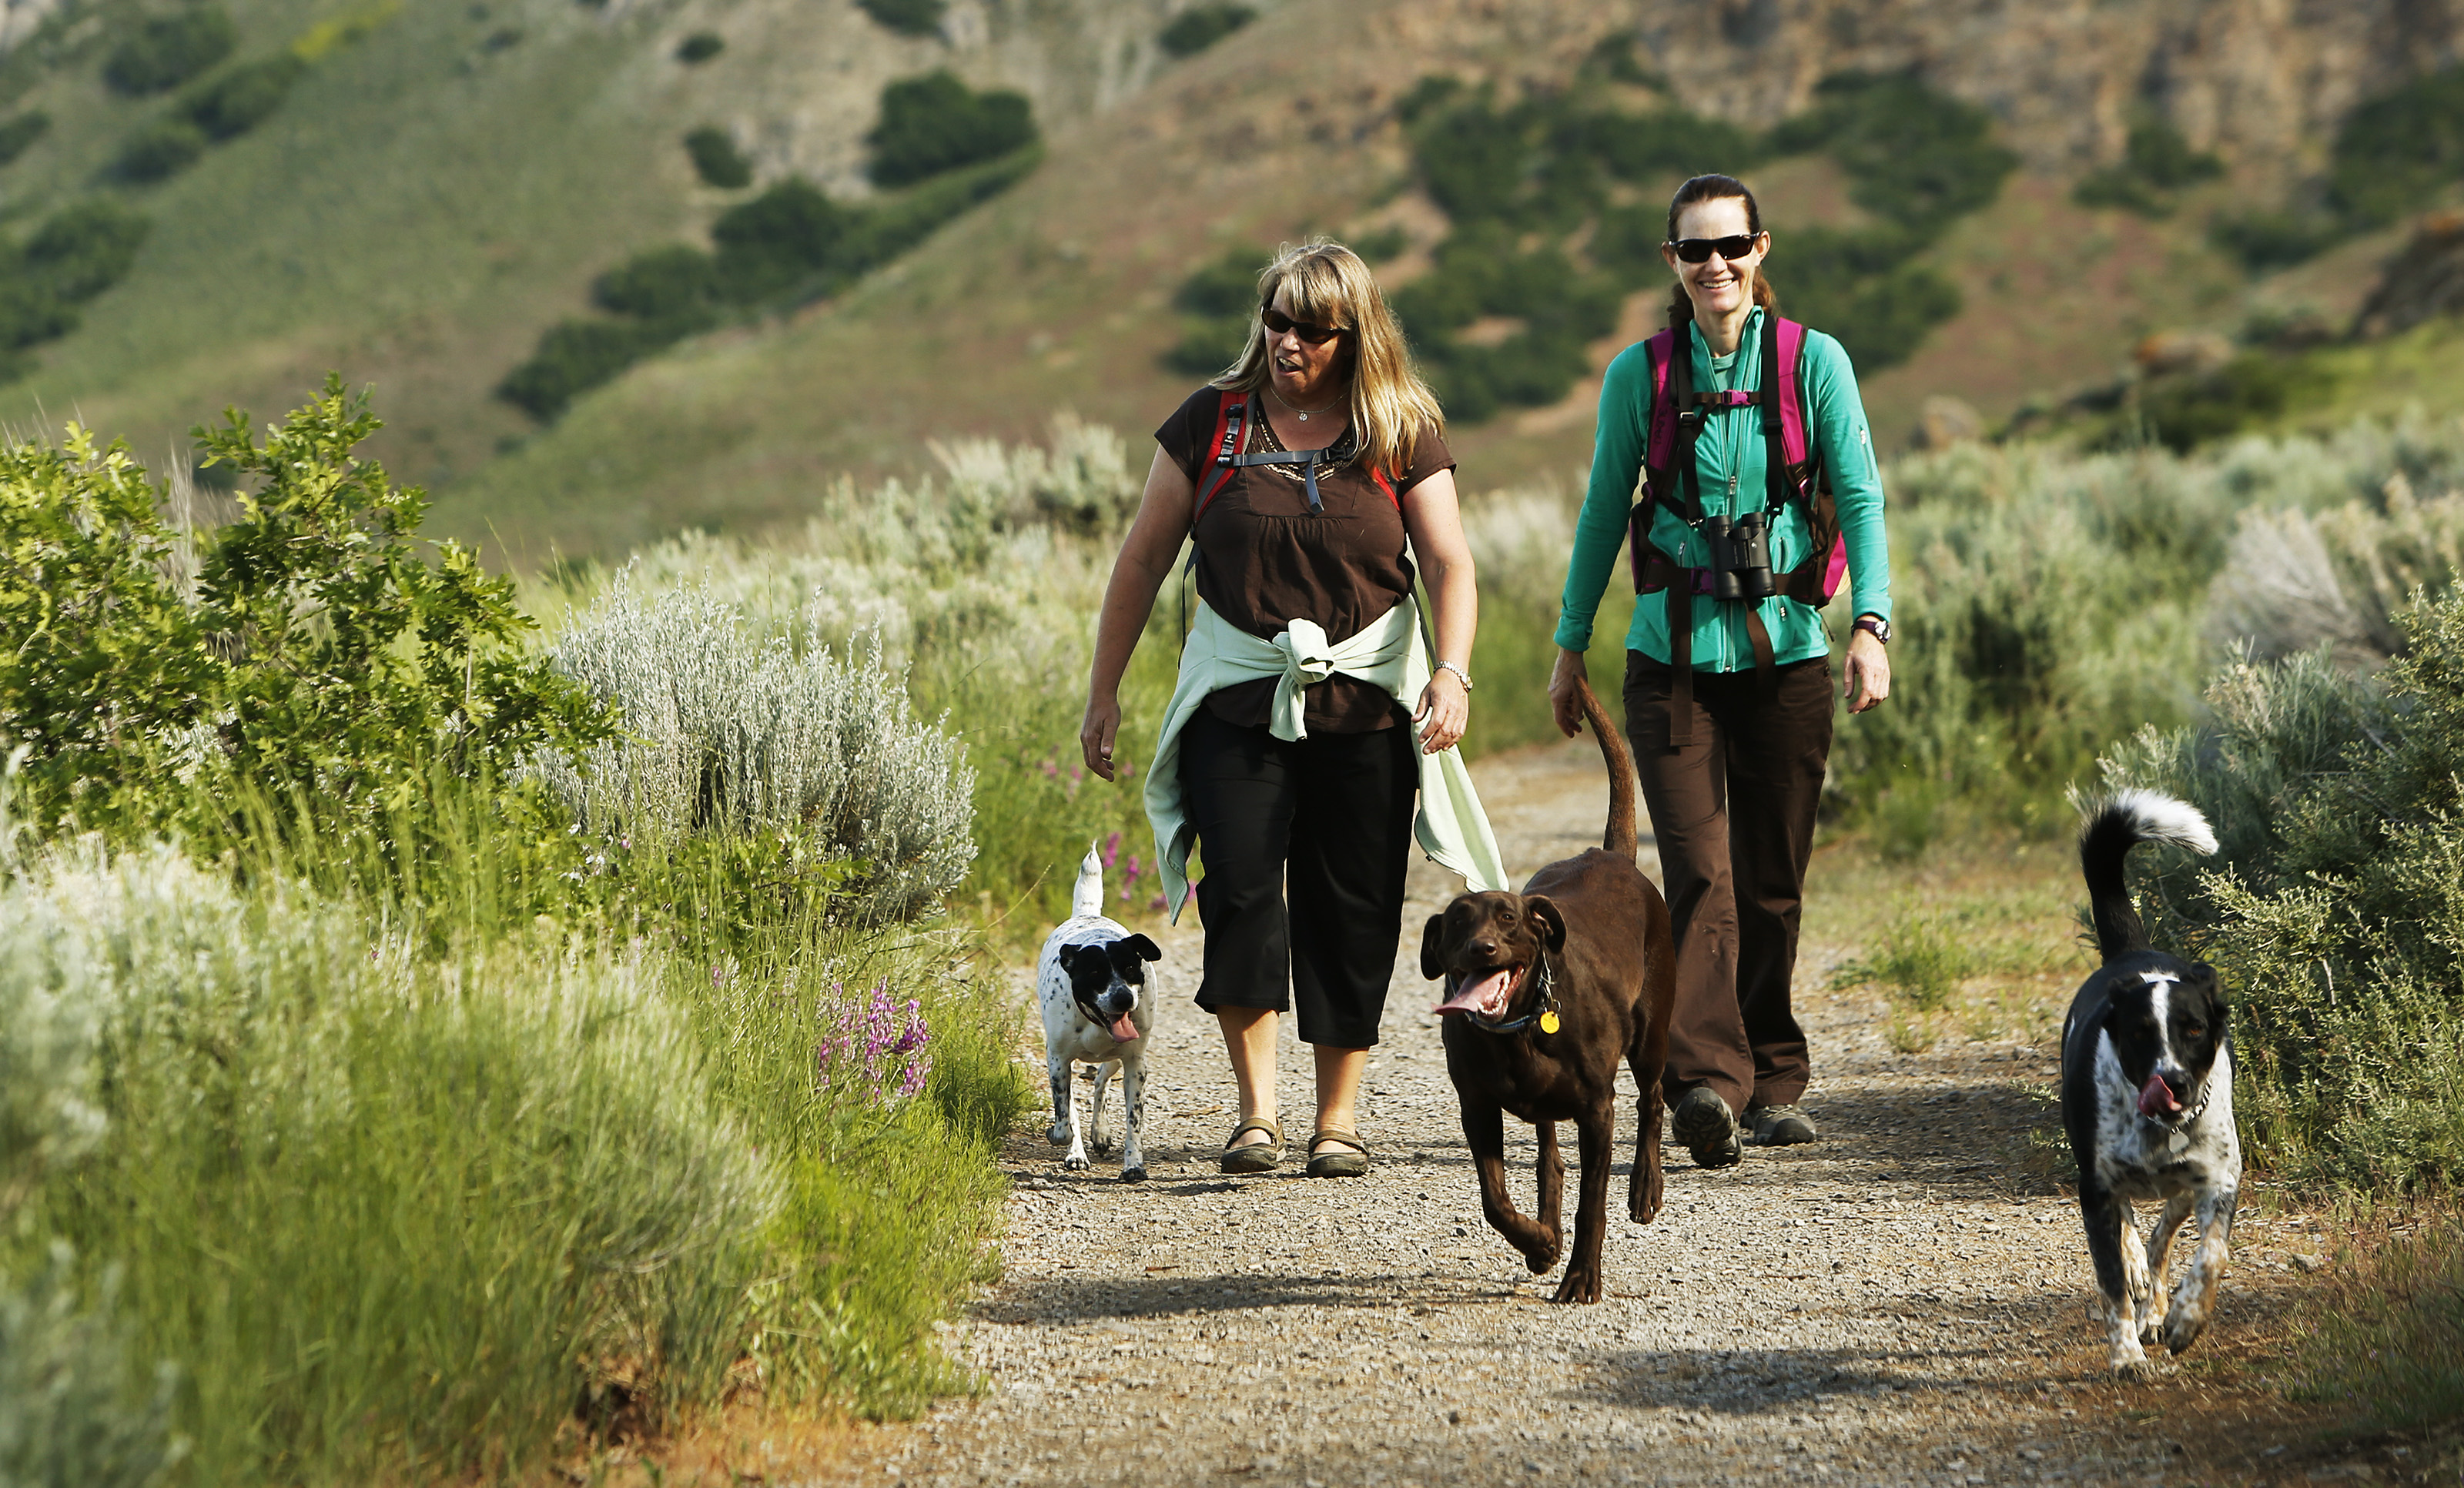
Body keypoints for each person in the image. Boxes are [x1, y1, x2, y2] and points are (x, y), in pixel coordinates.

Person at [1080, 239, 1505, 1179]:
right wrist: (1102, 689)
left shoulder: (1399, 428)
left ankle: (1337, 1119)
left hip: (1368, 711)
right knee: (1238, 896)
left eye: (1314, 329)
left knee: (1350, 907)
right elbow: (1143, 560)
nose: (1289, 342)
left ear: (1355, 337)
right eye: (1277, 320)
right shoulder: (1211, 423)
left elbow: (1448, 563)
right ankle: (1256, 1114)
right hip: (1236, 707)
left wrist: (1453, 672)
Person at [1548, 173, 1893, 1169]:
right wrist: (1569, 649)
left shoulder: (1813, 363)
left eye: (1731, 246)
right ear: (1672, 263)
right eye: (1695, 250)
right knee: (1701, 873)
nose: (1716, 266)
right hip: (1672, 663)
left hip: (1787, 655)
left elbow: (1862, 501)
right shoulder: (1640, 377)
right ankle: (1705, 1080)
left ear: (1761, 249)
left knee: (1772, 879)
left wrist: (1870, 626)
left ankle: (1774, 1072)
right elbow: (1602, 513)